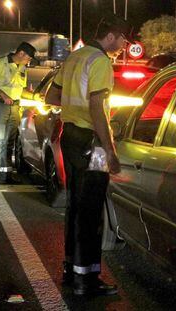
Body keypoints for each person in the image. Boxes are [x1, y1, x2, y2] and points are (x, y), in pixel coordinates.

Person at [45, 14, 132, 296]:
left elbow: (52, 96)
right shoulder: (101, 61)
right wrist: (110, 149)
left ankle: (72, 270)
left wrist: (73, 110)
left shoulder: (75, 57)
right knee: (91, 211)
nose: (123, 46)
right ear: (112, 36)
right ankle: (87, 281)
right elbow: (97, 107)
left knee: (75, 206)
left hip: (70, 137)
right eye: (123, 40)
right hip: (90, 142)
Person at [0, 41, 37, 187]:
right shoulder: (1, 63)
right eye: (29, 58)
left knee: (9, 143)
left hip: (14, 107)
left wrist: (35, 97)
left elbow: (20, 90)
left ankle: (5, 174)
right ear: (21, 53)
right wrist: (2, 95)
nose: (29, 61)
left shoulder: (23, 68)